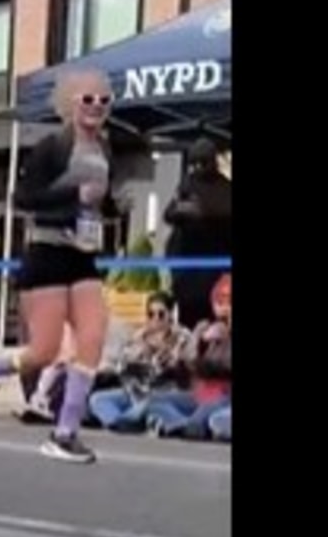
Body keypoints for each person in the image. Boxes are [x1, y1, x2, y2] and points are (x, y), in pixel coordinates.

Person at [0, 68, 123, 463]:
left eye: (104, 101)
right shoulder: (52, 147)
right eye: (87, 100)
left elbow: (97, 202)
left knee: (93, 337)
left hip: (83, 255)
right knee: (42, 352)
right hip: (46, 254)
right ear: (69, 104)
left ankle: (65, 432)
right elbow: (22, 199)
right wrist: (74, 196)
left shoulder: (105, 149)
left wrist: (109, 207)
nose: (96, 107)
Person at [86, 291, 192, 432]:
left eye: (161, 314)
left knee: (152, 402)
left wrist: (158, 350)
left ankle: (129, 421)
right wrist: (138, 354)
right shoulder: (140, 335)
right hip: (134, 391)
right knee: (98, 399)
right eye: (150, 314)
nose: (155, 319)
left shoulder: (181, 336)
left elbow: (170, 368)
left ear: (171, 315)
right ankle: (119, 421)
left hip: (163, 391)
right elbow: (121, 366)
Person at [145, 274, 232, 439]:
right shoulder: (203, 327)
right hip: (199, 393)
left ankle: (185, 425)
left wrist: (227, 339)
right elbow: (188, 361)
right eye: (220, 303)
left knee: (213, 414)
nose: (225, 308)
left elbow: (225, 368)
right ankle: (182, 424)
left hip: (224, 396)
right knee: (153, 401)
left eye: (229, 303)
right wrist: (202, 342)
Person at [165, 138, 233, 329]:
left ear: (213, 162)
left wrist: (203, 214)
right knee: (189, 322)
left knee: (215, 323)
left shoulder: (225, 189)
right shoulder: (187, 184)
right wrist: (182, 210)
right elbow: (169, 214)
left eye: (203, 162)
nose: (198, 168)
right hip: (187, 269)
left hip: (215, 269)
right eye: (195, 163)